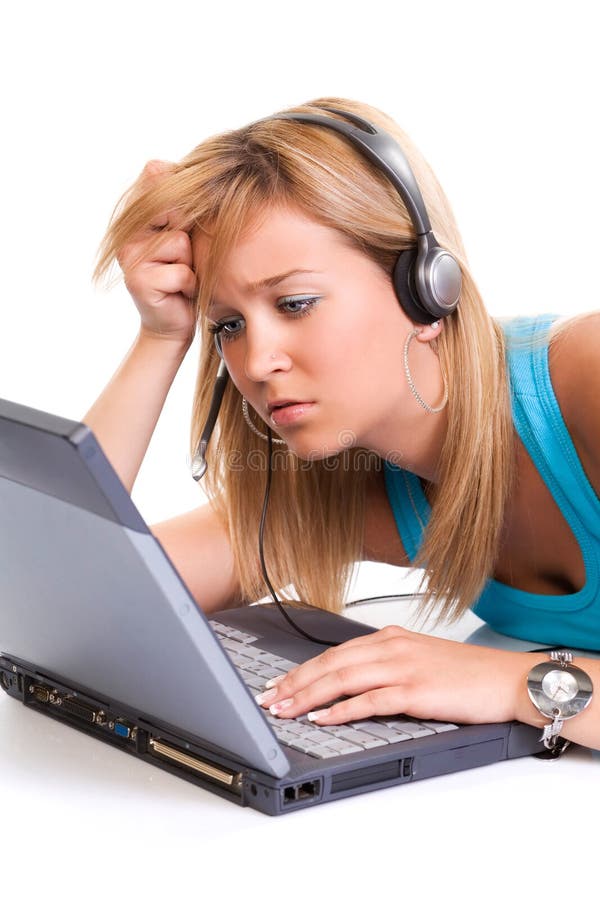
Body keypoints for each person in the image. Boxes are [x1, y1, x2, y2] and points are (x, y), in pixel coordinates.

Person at [86, 97, 600, 753]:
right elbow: (82, 602)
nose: (256, 362)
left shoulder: (588, 379)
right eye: (228, 326)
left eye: (294, 303)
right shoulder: (352, 488)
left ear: (425, 287)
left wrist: (510, 684)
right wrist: (160, 338)